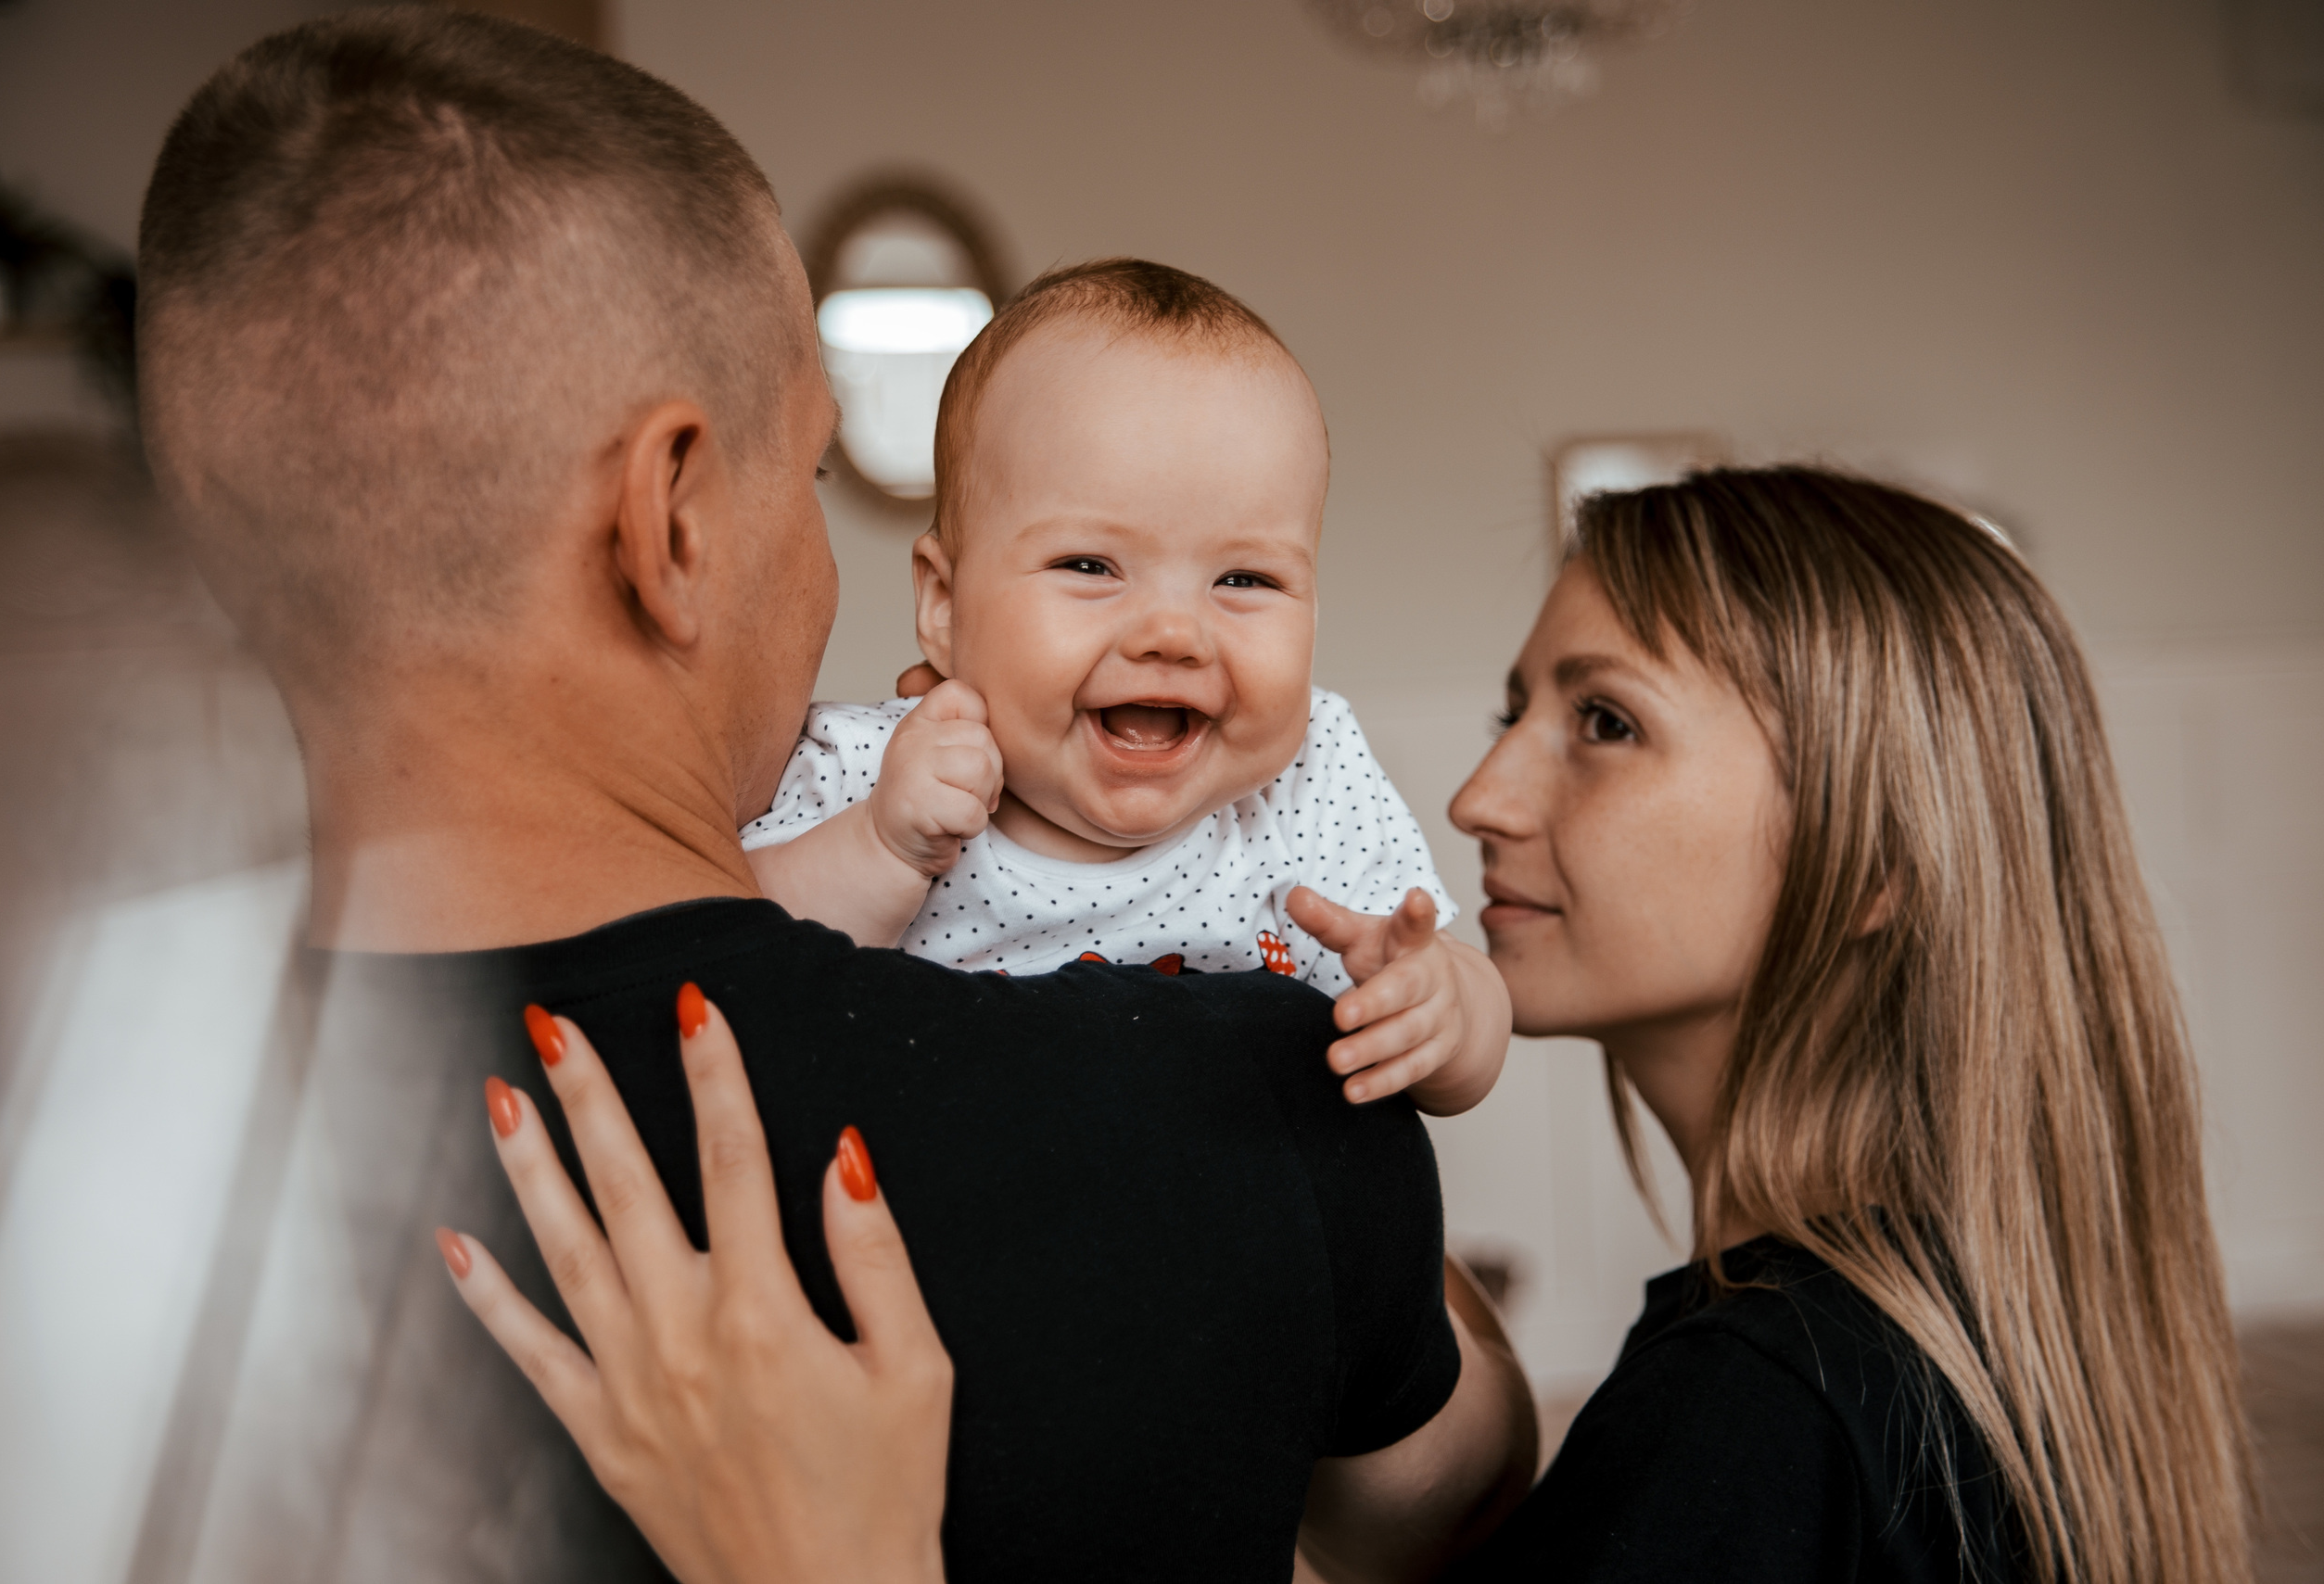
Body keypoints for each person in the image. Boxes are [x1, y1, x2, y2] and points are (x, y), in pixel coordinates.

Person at [133, 7, 1534, 1581]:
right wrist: (1352, 1224)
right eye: (805, 474)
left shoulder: (87, 1146)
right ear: (670, 524)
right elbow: (1451, 1493)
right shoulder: (1237, 1103)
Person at [465, 466, 2255, 1584]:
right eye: (1512, 708)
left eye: (1603, 722)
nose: (1478, 793)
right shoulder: (1896, 1347)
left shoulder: (1768, 1415)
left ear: (1878, 855)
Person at [745, 255, 1508, 1113]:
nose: (1173, 634)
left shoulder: (1311, 787)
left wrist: (1442, 1004)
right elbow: (735, 968)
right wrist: (881, 850)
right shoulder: (873, 770)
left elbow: (1467, 1050)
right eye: (1090, 565)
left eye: (1245, 580)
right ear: (946, 606)